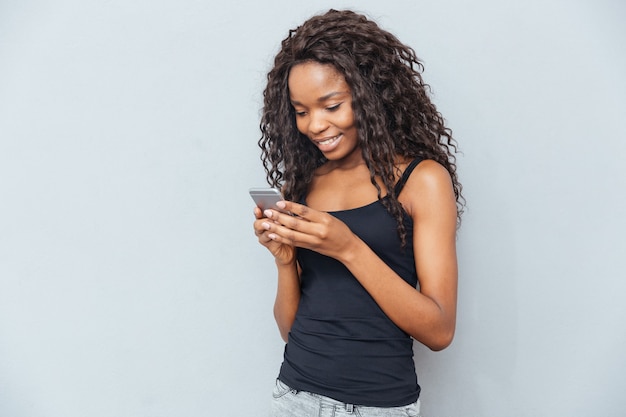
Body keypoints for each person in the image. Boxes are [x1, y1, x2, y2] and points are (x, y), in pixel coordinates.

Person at [252, 9, 463, 417]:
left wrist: (349, 247)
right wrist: (284, 262)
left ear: (371, 93)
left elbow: (439, 330)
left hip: (379, 404)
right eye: (301, 111)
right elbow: (289, 331)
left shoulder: (422, 180)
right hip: (295, 396)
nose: (315, 125)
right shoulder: (302, 185)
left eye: (331, 105)